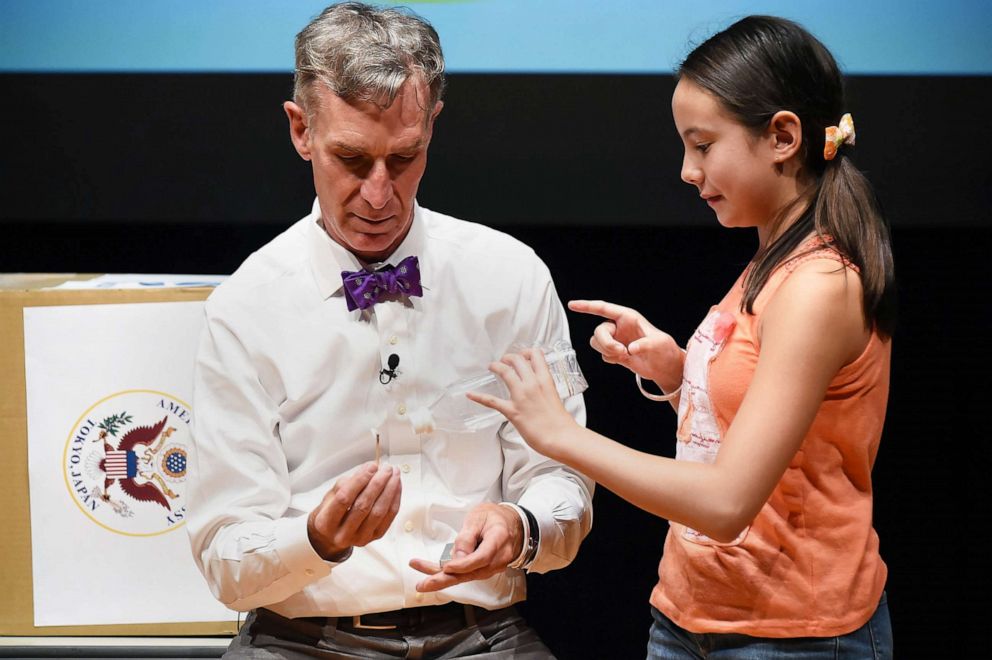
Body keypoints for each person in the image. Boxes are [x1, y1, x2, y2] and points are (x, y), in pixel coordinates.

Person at [469, 16, 895, 659]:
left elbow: (726, 503)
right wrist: (679, 374)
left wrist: (563, 437)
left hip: (791, 638)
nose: (688, 171)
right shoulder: (772, 259)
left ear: (782, 136)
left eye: (703, 145)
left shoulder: (818, 284)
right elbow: (763, 427)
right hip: (692, 617)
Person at [186, 3, 592, 658]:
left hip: (481, 637)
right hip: (298, 642)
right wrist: (316, 538)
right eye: (352, 159)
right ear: (301, 131)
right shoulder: (247, 306)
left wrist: (523, 524)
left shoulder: (509, 278)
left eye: (404, 158)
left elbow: (563, 480)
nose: (379, 195)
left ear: (431, 125)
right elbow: (224, 557)